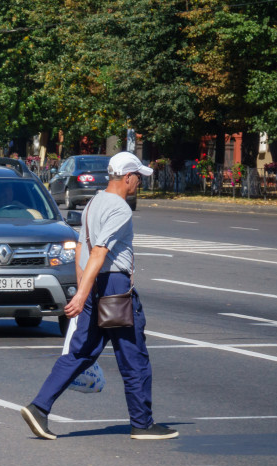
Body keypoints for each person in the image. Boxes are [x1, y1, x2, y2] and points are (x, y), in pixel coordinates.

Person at [20, 152, 178, 441]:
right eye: (138, 178)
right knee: (133, 355)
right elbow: (99, 251)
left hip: (95, 286)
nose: (139, 183)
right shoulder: (120, 209)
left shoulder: (93, 203)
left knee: (81, 352)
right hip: (115, 288)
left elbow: (82, 248)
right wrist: (81, 295)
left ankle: (39, 407)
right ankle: (142, 424)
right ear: (128, 177)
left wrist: (84, 290)